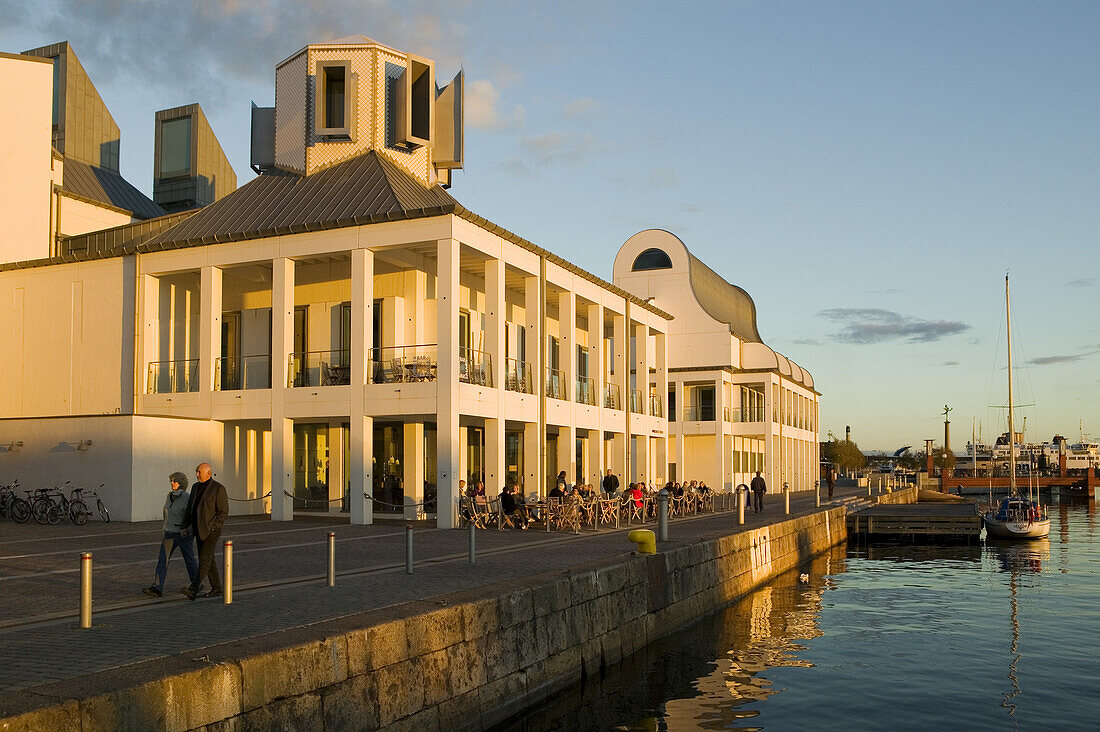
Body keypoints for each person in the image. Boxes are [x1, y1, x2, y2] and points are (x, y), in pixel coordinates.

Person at [142, 472, 198, 597]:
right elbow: (166, 512)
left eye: (175, 481)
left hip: (183, 534)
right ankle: (157, 587)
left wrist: (187, 529)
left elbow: (191, 515)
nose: (172, 483)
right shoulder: (169, 496)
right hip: (169, 532)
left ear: (181, 483)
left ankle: (196, 583)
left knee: (189, 559)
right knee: (163, 559)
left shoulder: (187, 497)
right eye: (171, 481)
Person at [182, 463, 229, 599]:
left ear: (208, 473)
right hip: (198, 530)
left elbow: (223, 511)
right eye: (196, 471)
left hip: (211, 531)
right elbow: (190, 509)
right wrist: (185, 526)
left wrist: (215, 527)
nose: (197, 475)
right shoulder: (195, 487)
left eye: (199, 472)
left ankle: (194, 588)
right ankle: (217, 587)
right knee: (209, 559)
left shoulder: (218, 488)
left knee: (204, 559)